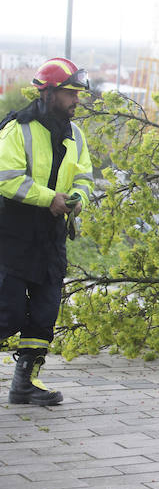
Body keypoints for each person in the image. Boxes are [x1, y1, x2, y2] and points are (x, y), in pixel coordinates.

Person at [0, 58, 93, 405]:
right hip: (13, 234)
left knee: (44, 312)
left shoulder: (76, 136)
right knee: (6, 312)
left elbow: (84, 176)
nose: (76, 101)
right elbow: (6, 178)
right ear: (50, 92)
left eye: (78, 94)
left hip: (51, 236)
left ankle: (25, 383)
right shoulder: (16, 129)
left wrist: (78, 198)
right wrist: (48, 199)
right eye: (70, 93)